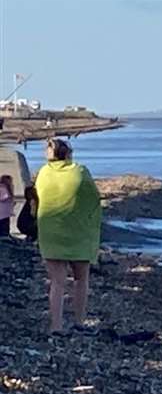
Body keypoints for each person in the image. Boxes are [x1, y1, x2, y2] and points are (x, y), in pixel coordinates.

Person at [33, 138, 102, 334]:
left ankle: (56, 325)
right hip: (79, 232)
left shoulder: (44, 173)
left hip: (51, 231)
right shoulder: (80, 171)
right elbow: (93, 198)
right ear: (69, 153)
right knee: (81, 279)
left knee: (56, 281)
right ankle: (79, 321)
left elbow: (39, 196)